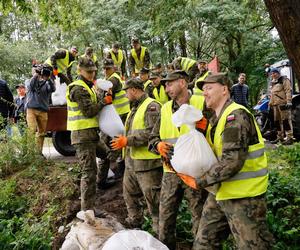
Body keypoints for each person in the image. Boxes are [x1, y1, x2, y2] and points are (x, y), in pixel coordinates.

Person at [177, 72, 274, 250]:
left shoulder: (235, 116)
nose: (204, 93)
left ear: (224, 89)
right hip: (222, 193)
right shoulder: (217, 119)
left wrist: (199, 181)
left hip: (244, 198)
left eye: (209, 88)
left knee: (252, 246)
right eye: (203, 89)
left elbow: (232, 161)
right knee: (203, 244)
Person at [148, 70, 208, 250]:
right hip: (171, 172)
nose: (166, 88)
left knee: (199, 217)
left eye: (169, 83)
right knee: (165, 219)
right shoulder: (165, 108)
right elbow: (152, 139)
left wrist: (206, 128)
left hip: (194, 173)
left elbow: (217, 135)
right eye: (165, 85)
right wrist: (158, 145)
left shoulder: (201, 102)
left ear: (182, 82)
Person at [110, 78, 162, 235]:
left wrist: (127, 141)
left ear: (133, 89)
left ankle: (159, 232)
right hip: (132, 162)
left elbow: (152, 132)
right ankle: (135, 223)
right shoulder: (135, 108)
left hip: (148, 165)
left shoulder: (152, 106)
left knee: (153, 199)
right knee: (129, 194)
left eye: (126, 91)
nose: (125, 95)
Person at [66, 57, 112, 211]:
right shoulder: (78, 88)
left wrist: (102, 95)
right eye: (88, 72)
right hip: (82, 136)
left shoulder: (88, 86)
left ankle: (103, 182)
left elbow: (94, 103)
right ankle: (88, 211)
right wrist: (104, 101)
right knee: (89, 173)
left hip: (91, 135)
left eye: (93, 71)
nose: (92, 74)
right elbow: (89, 111)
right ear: (79, 70)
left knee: (108, 154)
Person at [97, 58, 130, 188]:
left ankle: (115, 173)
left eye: (108, 68)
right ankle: (108, 175)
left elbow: (104, 93)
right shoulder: (111, 79)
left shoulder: (113, 79)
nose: (105, 70)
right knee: (113, 145)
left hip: (119, 116)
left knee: (114, 144)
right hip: (114, 117)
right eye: (104, 68)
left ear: (113, 68)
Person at [26, 64, 55, 154]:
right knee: (31, 130)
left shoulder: (46, 82)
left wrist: (48, 78)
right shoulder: (28, 81)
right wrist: (36, 75)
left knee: (42, 133)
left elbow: (53, 89)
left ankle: (39, 153)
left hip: (43, 110)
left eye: (38, 71)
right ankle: (30, 153)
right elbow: (31, 86)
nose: (36, 72)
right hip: (31, 109)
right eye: (35, 70)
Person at [269, 67, 294, 145]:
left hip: (282, 104)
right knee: (277, 122)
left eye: (275, 73)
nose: (273, 74)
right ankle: (280, 137)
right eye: (272, 73)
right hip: (275, 105)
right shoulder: (273, 82)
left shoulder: (284, 80)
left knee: (285, 121)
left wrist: (289, 101)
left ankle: (289, 137)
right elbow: (272, 94)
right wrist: (270, 103)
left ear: (278, 73)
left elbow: (288, 91)